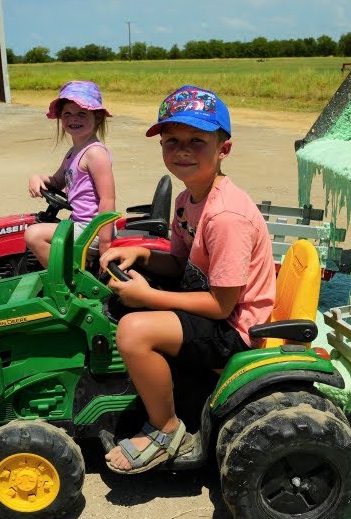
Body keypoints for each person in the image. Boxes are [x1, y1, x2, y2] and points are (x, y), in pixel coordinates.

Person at [100, 85, 276, 474]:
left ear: (223, 149)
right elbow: (181, 263)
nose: (182, 150)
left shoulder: (226, 217)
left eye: (197, 140)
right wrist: (143, 255)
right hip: (210, 307)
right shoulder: (188, 201)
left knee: (132, 331)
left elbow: (221, 305)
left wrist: (146, 298)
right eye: (172, 140)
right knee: (117, 300)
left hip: (235, 328)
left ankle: (166, 430)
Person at [25, 80, 116, 267]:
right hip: (79, 224)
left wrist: (105, 244)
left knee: (33, 234)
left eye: (82, 113)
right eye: (68, 113)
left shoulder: (95, 153)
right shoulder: (73, 152)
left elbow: (108, 199)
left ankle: (64, 281)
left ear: (97, 117)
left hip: (93, 229)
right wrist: (37, 178)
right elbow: (57, 181)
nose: (74, 119)